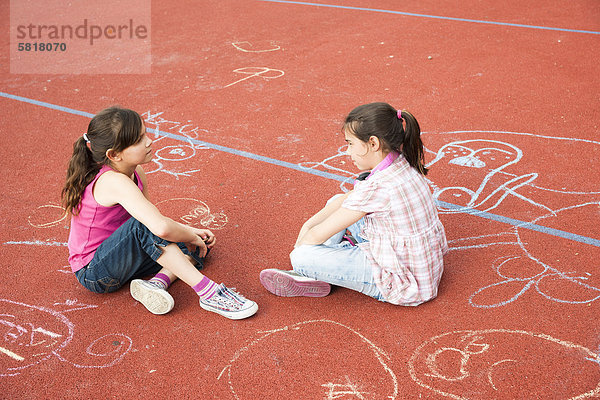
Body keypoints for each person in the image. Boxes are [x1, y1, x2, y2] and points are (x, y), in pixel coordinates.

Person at [62, 106, 257, 319]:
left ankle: (156, 284)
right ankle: (209, 293)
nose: (148, 141)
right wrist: (188, 234)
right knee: (159, 230)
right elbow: (156, 227)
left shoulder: (136, 171)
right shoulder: (112, 180)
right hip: (95, 272)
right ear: (114, 155)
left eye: (145, 134)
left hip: (124, 255)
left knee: (200, 244)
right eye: (138, 140)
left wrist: (192, 232)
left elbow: (154, 223)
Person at [260, 102, 448, 306]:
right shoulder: (400, 161)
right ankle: (332, 262)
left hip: (404, 284)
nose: (347, 152)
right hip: (419, 265)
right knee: (337, 204)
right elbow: (343, 201)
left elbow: (314, 236)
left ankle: (315, 273)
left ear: (373, 143)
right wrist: (308, 227)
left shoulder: (377, 188)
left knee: (301, 256)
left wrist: (303, 243)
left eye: (350, 143)